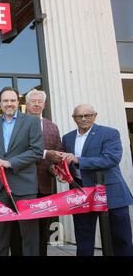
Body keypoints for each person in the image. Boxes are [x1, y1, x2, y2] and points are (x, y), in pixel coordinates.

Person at [61, 104, 133, 256]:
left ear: (95, 115)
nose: (84, 118)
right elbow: (65, 161)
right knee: (84, 238)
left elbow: (111, 159)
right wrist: (59, 169)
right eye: (79, 116)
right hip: (80, 192)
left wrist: (78, 160)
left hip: (110, 192)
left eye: (88, 115)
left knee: (120, 238)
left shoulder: (109, 133)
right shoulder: (67, 138)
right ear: (74, 118)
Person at [0, 87, 43, 256]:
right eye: (5, 101)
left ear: (18, 102)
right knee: (1, 235)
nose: (9, 104)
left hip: (25, 187)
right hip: (0, 187)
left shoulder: (31, 122)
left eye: (12, 100)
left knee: (29, 235)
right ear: (0, 104)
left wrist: (10, 163)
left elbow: (36, 151)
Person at [10, 89, 63, 256]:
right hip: (19, 184)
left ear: (44, 104)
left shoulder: (52, 127)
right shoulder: (15, 124)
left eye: (40, 101)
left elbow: (57, 154)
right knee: (18, 229)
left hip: (43, 185)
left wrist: (56, 169)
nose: (36, 104)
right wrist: (46, 153)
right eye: (33, 101)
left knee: (41, 230)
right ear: (26, 103)